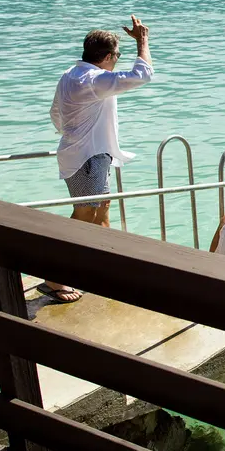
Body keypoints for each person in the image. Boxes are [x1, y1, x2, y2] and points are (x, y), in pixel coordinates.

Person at [48, 16, 154, 303]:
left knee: (102, 209)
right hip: (88, 158)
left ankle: (108, 268)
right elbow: (143, 74)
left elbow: (55, 113)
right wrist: (142, 40)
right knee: (83, 215)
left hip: (88, 154)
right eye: (116, 56)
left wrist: (71, 131)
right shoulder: (95, 80)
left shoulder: (71, 73)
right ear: (108, 57)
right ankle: (53, 276)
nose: (117, 61)